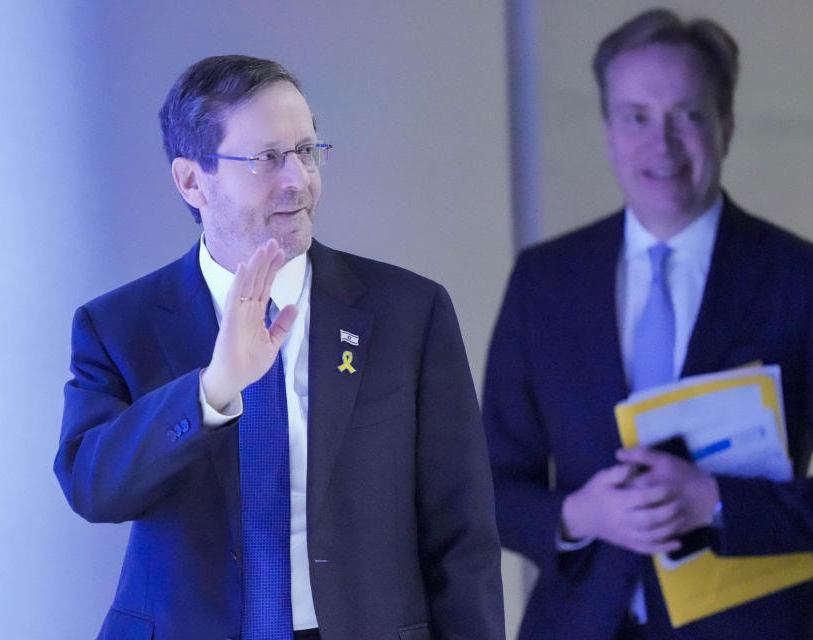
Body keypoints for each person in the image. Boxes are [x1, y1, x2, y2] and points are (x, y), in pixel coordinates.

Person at [483, 9, 813, 640]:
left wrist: (715, 500)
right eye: (636, 117)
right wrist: (577, 514)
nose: (662, 144)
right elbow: (482, 486)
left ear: (725, 125)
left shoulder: (807, 280)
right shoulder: (544, 282)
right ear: (607, 130)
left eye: (687, 114)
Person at [54, 54, 505, 640]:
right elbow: (94, 488)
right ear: (193, 181)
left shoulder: (407, 312)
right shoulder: (119, 324)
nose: (299, 179)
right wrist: (211, 391)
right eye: (267, 159)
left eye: (307, 151)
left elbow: (462, 531)